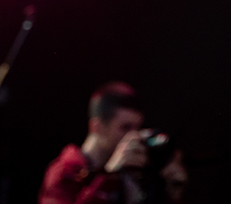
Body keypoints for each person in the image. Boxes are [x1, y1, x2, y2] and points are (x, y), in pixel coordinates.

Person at [40, 82, 188, 204]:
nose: (133, 136)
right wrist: (109, 177)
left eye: (137, 128)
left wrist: (172, 194)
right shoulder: (63, 173)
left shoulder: (132, 170)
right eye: (125, 127)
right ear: (96, 127)